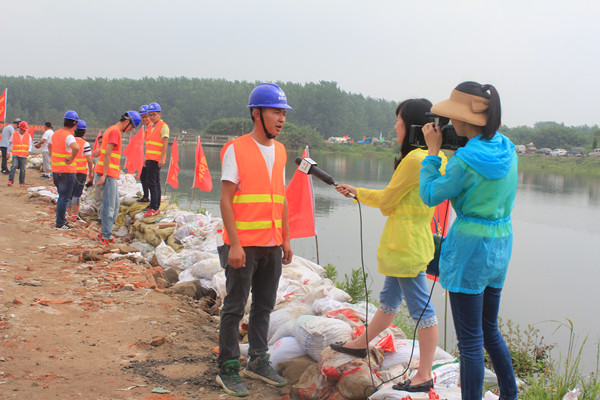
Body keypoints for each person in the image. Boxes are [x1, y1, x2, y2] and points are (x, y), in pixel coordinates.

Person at [331, 99, 447, 393]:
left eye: (398, 121)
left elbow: (387, 202)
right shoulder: (436, 157)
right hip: (410, 242)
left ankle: (423, 376)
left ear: (412, 127)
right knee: (389, 303)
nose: (395, 126)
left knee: (422, 312)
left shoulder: (414, 160)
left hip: (405, 246)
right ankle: (359, 345)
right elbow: (394, 197)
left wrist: (358, 193)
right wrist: (357, 191)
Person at [419, 82, 518, 400]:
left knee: (471, 342)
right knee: (490, 330)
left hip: (470, 250)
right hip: (500, 245)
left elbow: (431, 194)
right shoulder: (509, 150)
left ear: (462, 119)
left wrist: (433, 154)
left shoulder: (464, 160)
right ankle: (510, 394)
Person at [216, 83, 293, 397]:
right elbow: (225, 199)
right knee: (234, 307)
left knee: (264, 306)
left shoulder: (282, 150)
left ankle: (258, 360)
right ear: (256, 113)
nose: (281, 119)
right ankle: (228, 367)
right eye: (276, 112)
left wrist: (286, 240)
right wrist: (234, 243)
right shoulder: (236, 148)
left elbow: (282, 198)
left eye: (283, 113)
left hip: (272, 244)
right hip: (243, 245)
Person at [94, 111, 141, 245]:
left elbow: (106, 151)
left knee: (114, 206)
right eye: (132, 127)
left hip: (110, 174)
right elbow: (108, 154)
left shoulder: (111, 130)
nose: (130, 130)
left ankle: (106, 232)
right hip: (107, 175)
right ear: (127, 122)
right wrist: (103, 175)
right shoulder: (115, 132)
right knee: (109, 207)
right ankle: (105, 235)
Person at [49, 110, 80, 230]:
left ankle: (61, 220)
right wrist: (71, 158)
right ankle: (60, 223)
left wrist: (53, 156)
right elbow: (76, 147)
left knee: (61, 196)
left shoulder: (56, 134)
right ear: (75, 124)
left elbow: (50, 145)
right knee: (64, 198)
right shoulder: (69, 136)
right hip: (66, 172)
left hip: (56, 170)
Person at [142, 102, 169, 217]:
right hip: (150, 158)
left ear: (160, 114)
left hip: (156, 159)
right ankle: (154, 205)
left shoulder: (163, 126)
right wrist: (145, 158)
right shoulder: (152, 127)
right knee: (153, 182)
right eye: (150, 115)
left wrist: (162, 158)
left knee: (152, 183)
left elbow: (165, 143)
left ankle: (154, 207)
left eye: (154, 115)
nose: (152, 117)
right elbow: (149, 145)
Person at [66, 120, 93, 221]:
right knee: (77, 194)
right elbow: (89, 160)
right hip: (80, 173)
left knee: (69, 193)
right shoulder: (85, 144)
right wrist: (91, 173)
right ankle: (75, 214)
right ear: (84, 132)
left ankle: (68, 214)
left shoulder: (70, 141)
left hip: (69, 171)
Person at [7, 121, 33, 187]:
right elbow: (9, 143)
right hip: (16, 154)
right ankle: (10, 180)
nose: (24, 131)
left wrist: (29, 151)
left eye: (25, 130)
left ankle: (21, 183)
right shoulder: (14, 134)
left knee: (22, 169)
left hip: (24, 155)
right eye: (23, 130)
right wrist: (8, 153)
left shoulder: (28, 135)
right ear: (20, 129)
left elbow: (30, 144)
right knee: (14, 167)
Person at [136, 104, 151, 203]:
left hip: (154, 158)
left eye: (146, 116)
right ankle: (146, 196)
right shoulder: (147, 128)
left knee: (151, 180)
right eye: (142, 117)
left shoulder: (153, 127)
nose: (144, 119)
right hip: (149, 157)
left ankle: (151, 200)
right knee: (143, 177)